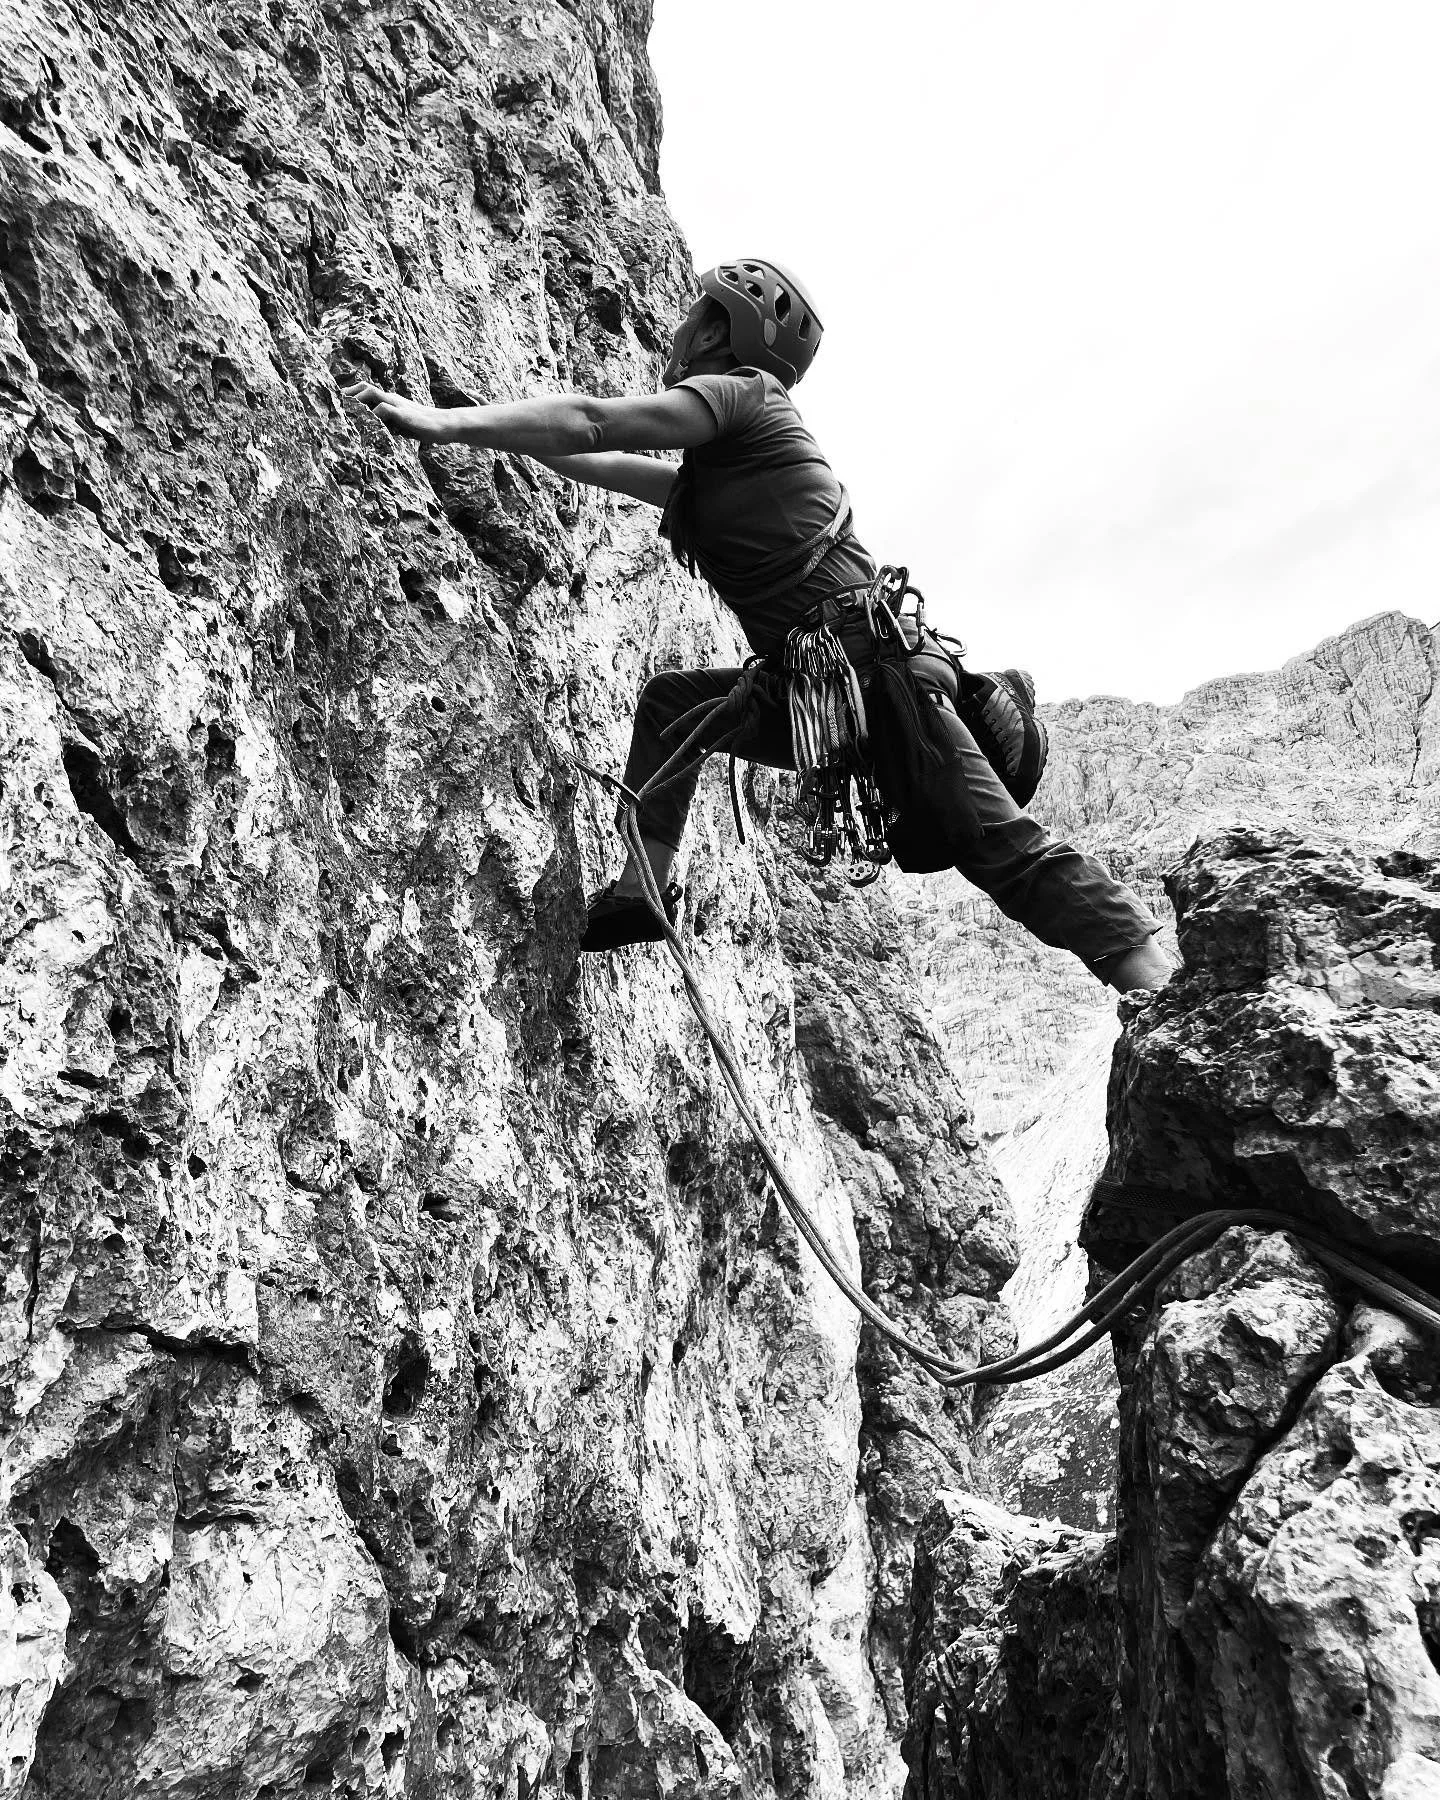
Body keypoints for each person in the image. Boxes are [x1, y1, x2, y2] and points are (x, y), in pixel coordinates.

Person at [345, 259, 1171, 990]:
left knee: (1001, 848)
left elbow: (593, 421)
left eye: (691, 312)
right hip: (819, 686)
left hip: (875, 669)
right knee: (673, 708)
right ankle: (643, 891)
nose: (676, 326)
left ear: (715, 331)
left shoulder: (747, 397)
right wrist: (467, 412)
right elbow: (584, 455)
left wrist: (441, 423)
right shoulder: (711, 481)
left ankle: (1152, 975)